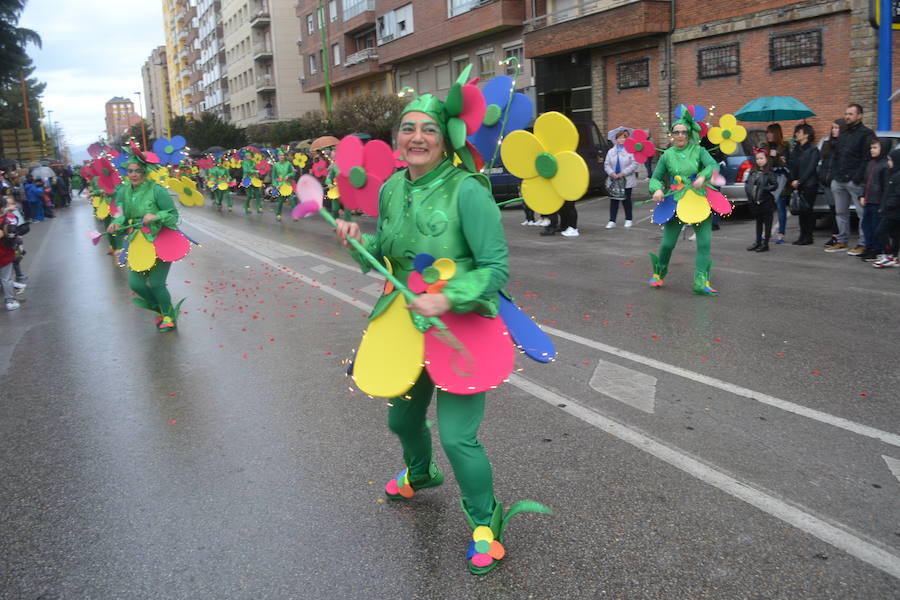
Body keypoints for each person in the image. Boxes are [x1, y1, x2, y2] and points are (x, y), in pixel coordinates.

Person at [334, 89, 543, 575]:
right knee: (402, 423)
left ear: (445, 138)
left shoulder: (468, 189)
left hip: (464, 327)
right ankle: (421, 472)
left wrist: (448, 298)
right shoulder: (391, 189)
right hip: (405, 322)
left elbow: (495, 268)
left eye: (428, 129)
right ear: (397, 139)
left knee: (457, 437)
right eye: (408, 128)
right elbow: (388, 257)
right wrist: (358, 242)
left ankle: (485, 521)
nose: (417, 137)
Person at [107, 144, 183, 331]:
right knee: (136, 284)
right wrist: (117, 222)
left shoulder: (157, 190)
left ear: (145, 172)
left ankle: (168, 316)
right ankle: (161, 308)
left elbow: (173, 215)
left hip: (160, 239)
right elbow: (123, 214)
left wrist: (156, 216)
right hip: (138, 242)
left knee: (156, 283)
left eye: (138, 171)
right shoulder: (124, 191)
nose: (133, 175)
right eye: (130, 171)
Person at [648, 107, 720, 295]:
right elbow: (655, 177)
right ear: (672, 135)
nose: (680, 135)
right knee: (667, 244)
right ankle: (659, 273)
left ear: (689, 134)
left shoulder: (699, 150)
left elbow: (713, 165)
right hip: (675, 202)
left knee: (704, 243)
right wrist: (657, 189)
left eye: (684, 132)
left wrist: (703, 176)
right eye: (676, 132)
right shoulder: (667, 155)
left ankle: (701, 281)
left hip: (698, 200)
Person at [828, 104, 874, 254]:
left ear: (860, 115)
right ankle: (842, 241)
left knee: (862, 214)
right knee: (841, 213)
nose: (847, 117)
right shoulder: (843, 134)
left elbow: (867, 159)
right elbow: (836, 156)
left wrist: (856, 179)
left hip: (855, 181)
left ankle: (863, 243)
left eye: (851, 114)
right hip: (839, 180)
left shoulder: (867, 134)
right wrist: (834, 176)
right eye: (846, 113)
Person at [858, 138, 891, 260]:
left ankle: (877, 249)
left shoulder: (885, 165)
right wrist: (861, 195)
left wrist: (883, 205)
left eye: (875, 148)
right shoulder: (870, 163)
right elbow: (865, 182)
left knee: (876, 227)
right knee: (866, 226)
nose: (872, 150)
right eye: (871, 148)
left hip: (878, 203)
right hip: (868, 201)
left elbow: (886, 187)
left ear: (883, 149)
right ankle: (869, 246)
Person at [788, 124, 820, 245]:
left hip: (809, 184)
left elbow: (811, 167)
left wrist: (800, 180)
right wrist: (793, 179)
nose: (796, 134)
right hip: (798, 184)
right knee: (800, 211)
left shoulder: (813, 149)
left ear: (806, 134)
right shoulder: (796, 148)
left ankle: (808, 236)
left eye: (799, 132)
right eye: (796, 132)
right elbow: (792, 165)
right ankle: (802, 236)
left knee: (808, 210)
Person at [604, 127, 639, 229]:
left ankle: (628, 219)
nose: (621, 140)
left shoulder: (630, 151)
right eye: (619, 138)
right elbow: (606, 164)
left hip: (626, 180)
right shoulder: (611, 151)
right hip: (613, 179)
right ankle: (612, 220)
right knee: (613, 200)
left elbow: (634, 164)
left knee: (626, 200)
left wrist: (623, 173)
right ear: (616, 139)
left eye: (624, 138)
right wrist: (612, 173)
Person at [745, 149, 778, 252]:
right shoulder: (753, 171)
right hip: (756, 201)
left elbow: (775, 185)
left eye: (761, 158)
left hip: (766, 202)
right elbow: (748, 183)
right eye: (757, 159)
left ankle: (765, 244)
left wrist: (765, 189)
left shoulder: (769, 172)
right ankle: (758, 242)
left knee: (767, 224)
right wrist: (749, 192)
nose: (759, 161)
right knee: (758, 223)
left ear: (766, 159)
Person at [762, 124, 791, 243]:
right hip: (768, 180)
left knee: (780, 208)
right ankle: (766, 233)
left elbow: (786, 164)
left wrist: (777, 156)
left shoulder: (784, 147)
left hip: (780, 181)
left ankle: (781, 233)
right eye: (767, 132)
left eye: (771, 132)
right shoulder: (765, 147)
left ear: (776, 133)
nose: (768, 135)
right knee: (767, 209)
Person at [872, 148, 900, 268]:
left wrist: (887, 206)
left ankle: (888, 255)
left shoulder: (897, 176)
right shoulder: (894, 174)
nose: (888, 162)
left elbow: (896, 195)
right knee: (895, 234)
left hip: (892, 212)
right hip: (893, 211)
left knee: (881, 232)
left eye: (890, 160)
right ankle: (893, 256)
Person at [819, 119, 845, 248]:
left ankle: (839, 237)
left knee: (839, 211)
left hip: (836, 182)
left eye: (837, 128)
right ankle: (835, 235)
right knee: (832, 210)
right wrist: (822, 177)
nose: (834, 130)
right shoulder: (827, 144)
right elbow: (823, 162)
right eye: (833, 128)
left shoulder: (844, 145)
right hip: (826, 182)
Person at [271, 148, 297, 222]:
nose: (282, 156)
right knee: (280, 202)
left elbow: (293, 173)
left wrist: (289, 175)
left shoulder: (288, 164)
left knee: (291, 200)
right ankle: (278, 215)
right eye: (280, 155)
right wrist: (276, 185)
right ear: (278, 156)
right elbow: (274, 177)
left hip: (288, 184)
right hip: (280, 185)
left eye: (283, 155)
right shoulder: (276, 165)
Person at [241, 150, 263, 214]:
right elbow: (246, 170)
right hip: (247, 179)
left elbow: (257, 169)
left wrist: (260, 170)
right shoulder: (244, 162)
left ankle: (259, 208)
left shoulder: (254, 162)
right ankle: (247, 207)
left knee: (257, 194)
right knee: (249, 195)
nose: (249, 156)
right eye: (247, 155)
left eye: (250, 155)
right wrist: (254, 171)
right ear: (245, 156)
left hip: (255, 179)